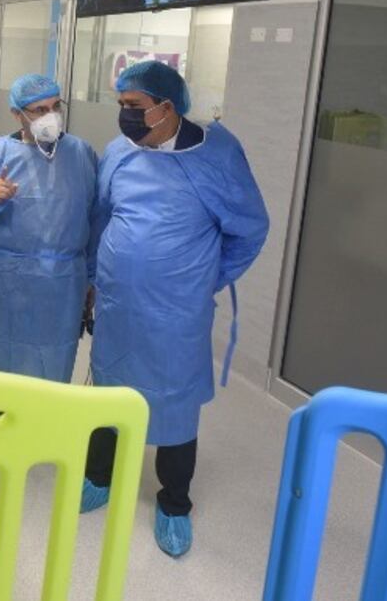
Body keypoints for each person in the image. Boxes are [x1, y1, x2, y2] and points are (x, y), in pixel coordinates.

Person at [80, 60, 268, 558]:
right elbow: (102, 216)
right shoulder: (119, 152)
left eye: (134, 105)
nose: (124, 115)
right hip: (119, 303)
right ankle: (98, 476)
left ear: (166, 107)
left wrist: (203, 279)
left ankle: (174, 502)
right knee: (108, 388)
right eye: (120, 104)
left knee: (176, 403)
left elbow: (250, 230)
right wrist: (94, 278)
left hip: (177, 312)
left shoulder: (216, 157)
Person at [0, 74, 97, 387]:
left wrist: (93, 279)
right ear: (17, 114)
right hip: (5, 283)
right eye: (39, 110)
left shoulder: (80, 154)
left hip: (62, 286)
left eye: (56, 107)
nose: (51, 116)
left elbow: (96, 219)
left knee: (51, 372)